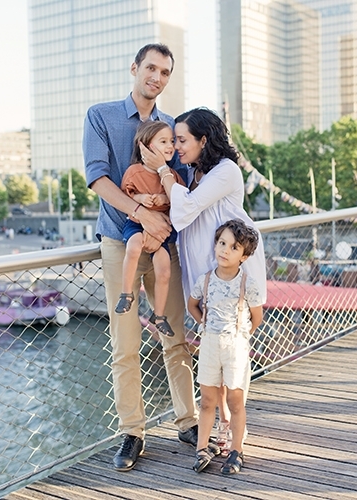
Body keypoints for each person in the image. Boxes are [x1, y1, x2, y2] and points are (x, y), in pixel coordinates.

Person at [83, 43, 200, 472]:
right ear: (134, 68)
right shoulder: (101, 116)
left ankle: (188, 422)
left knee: (175, 338)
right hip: (121, 240)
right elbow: (96, 176)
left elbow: (185, 183)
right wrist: (140, 213)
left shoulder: (173, 127)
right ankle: (133, 432)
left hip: (166, 243)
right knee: (126, 344)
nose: (157, 76)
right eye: (151, 67)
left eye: (166, 72)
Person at [142, 107, 267, 455]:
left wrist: (164, 170)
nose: (177, 146)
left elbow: (184, 211)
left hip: (232, 276)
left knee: (233, 363)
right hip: (207, 278)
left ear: (203, 140)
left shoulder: (225, 171)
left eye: (183, 140)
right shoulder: (195, 173)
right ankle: (222, 432)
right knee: (213, 361)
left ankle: (233, 438)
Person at [187, 219, 263, 474]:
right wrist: (205, 324)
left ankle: (236, 450)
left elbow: (257, 316)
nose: (225, 251)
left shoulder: (247, 284)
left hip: (236, 348)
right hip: (209, 344)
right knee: (208, 400)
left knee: (235, 401)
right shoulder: (205, 280)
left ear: (244, 255)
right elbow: (192, 305)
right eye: (222, 243)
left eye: (233, 247)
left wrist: (241, 335)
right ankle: (201, 448)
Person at [114, 121, 186, 338]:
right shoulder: (134, 172)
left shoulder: (171, 174)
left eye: (172, 141)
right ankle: (126, 293)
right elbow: (126, 196)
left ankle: (159, 315)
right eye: (163, 142)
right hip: (136, 223)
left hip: (162, 229)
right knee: (134, 247)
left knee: (164, 270)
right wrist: (142, 198)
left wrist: (164, 197)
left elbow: (179, 199)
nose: (170, 146)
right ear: (145, 146)